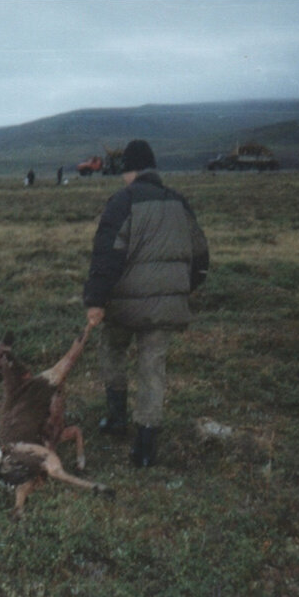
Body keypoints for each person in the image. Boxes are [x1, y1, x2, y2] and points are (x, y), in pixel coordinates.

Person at [83, 140, 209, 467]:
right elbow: (201, 256)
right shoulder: (179, 202)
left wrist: (96, 300)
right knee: (153, 369)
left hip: (124, 306)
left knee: (112, 350)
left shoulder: (122, 202)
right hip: (166, 309)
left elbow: (106, 256)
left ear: (130, 170)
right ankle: (145, 447)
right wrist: (182, 288)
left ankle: (116, 418)